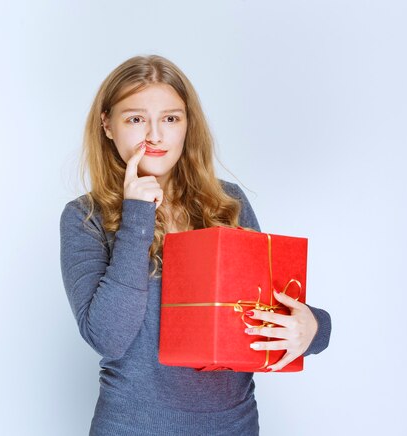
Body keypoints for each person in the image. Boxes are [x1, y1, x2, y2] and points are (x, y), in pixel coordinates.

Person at [59, 54, 331, 436]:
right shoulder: (84, 217)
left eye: (171, 118)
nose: (155, 134)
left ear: (187, 124)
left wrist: (316, 327)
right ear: (107, 125)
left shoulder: (227, 202)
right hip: (131, 427)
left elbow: (267, 310)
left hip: (232, 425)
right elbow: (108, 337)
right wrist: (137, 216)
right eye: (136, 119)